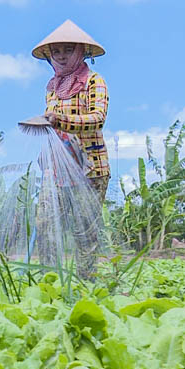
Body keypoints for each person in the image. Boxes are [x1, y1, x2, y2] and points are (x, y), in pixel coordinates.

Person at [32, 20, 109, 278]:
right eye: (56, 51)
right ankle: (50, 279)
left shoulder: (94, 82)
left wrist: (60, 121)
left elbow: (98, 119)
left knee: (85, 231)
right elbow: (52, 126)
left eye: (68, 49)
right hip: (57, 170)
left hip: (90, 168)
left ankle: (86, 283)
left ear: (80, 52)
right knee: (45, 224)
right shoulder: (52, 88)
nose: (62, 56)